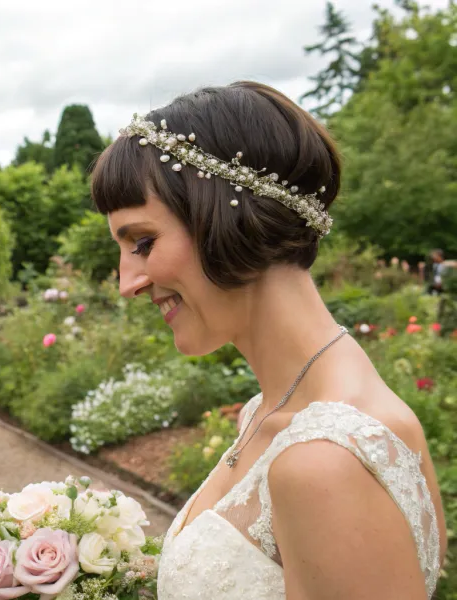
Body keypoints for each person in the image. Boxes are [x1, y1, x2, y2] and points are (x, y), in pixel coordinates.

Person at [92, 81, 445, 599]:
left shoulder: (326, 461)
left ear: (226, 218)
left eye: (143, 242)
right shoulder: (273, 413)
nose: (128, 283)